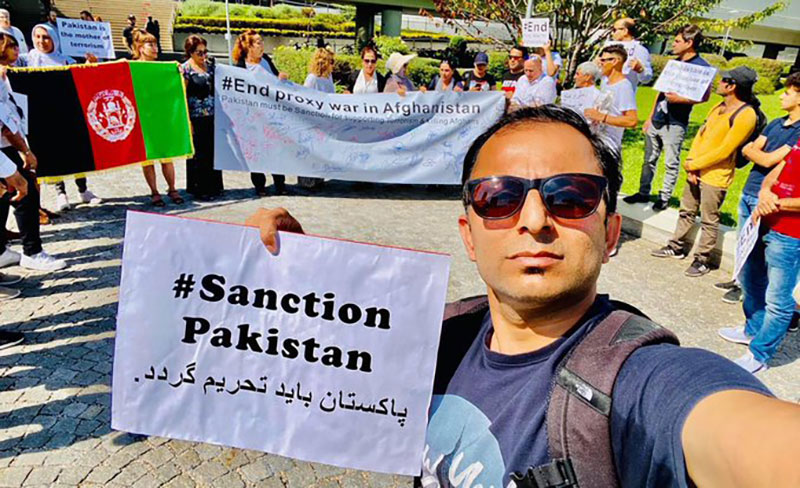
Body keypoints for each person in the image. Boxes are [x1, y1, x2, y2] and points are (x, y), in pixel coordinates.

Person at [246, 105, 800, 487]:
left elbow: (748, 438)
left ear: (611, 234)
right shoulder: (441, 335)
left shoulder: (642, 381)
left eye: (571, 196)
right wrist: (282, 286)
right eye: (498, 197)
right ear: (469, 235)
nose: (534, 220)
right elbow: (318, 376)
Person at [718, 72, 800, 370]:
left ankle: (760, 355)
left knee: (778, 298)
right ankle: (753, 329)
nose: (781, 95)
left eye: (788, 91)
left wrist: (777, 202)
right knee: (751, 276)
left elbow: (767, 159)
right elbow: (774, 168)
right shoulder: (787, 131)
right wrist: (766, 191)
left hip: (790, 233)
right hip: (764, 215)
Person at [652, 66, 759, 278]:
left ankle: (703, 259)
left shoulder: (746, 115)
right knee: (686, 210)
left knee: (709, 218)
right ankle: (676, 246)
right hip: (696, 169)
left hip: (716, 175)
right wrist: (691, 164)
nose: (719, 83)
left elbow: (725, 150)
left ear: (733, 86)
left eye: (724, 80)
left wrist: (696, 165)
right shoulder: (718, 107)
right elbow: (701, 136)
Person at [0, 33, 68, 274]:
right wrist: (25, 151)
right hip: (5, 146)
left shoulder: (5, 74)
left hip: (6, 144)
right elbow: (5, 124)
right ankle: (33, 252)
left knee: (4, 196)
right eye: (10, 46)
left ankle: (1, 251)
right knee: (25, 193)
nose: (16, 50)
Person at [624, 25, 711, 211]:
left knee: (671, 161)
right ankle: (643, 192)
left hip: (676, 122)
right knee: (649, 158)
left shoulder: (702, 68)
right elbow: (660, 91)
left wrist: (681, 99)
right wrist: (650, 117)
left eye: (678, 41)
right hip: (657, 118)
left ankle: (664, 196)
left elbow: (705, 96)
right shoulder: (673, 63)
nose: (674, 44)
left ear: (689, 43)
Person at [22, 24, 102, 212]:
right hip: (42, 116)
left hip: (67, 114)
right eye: (38, 37)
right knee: (53, 154)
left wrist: (89, 64)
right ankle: (61, 193)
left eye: (46, 37)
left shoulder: (66, 60)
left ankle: (83, 190)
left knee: (75, 152)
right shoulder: (26, 60)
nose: (41, 41)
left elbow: (82, 79)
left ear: (54, 39)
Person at [232, 29, 289, 196]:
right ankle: (260, 186)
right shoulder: (240, 67)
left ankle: (280, 184)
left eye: (262, 42)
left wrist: (281, 76)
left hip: (272, 116)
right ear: (248, 47)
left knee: (276, 149)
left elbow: (276, 77)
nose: (262, 45)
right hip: (253, 117)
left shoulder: (266, 60)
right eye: (258, 43)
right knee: (256, 151)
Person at [132, 29, 183, 207]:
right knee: (147, 158)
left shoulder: (163, 67)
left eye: (156, 44)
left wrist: (177, 72)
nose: (155, 48)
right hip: (143, 118)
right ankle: (154, 191)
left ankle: (172, 188)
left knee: (166, 156)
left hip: (161, 117)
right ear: (140, 47)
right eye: (150, 44)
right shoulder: (132, 67)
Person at [182, 35, 222, 201]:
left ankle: (214, 186)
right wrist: (187, 121)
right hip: (196, 117)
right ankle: (199, 188)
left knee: (213, 151)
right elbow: (183, 95)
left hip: (212, 116)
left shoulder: (211, 67)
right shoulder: (185, 69)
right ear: (190, 52)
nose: (203, 55)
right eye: (199, 53)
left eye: (205, 51)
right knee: (199, 154)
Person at [583, 45, 638, 153]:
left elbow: (632, 121)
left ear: (614, 61)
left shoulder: (624, 86)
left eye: (603, 60)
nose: (600, 63)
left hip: (610, 147)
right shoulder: (606, 82)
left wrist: (602, 117)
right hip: (598, 142)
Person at [299, 47, 334, 190]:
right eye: (331, 61)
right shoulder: (312, 79)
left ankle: (319, 178)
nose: (333, 65)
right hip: (313, 121)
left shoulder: (329, 77)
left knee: (321, 150)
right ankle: (307, 180)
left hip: (325, 121)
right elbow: (304, 98)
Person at [603, 17, 652, 91]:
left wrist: (640, 70)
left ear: (625, 31)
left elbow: (647, 78)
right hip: (605, 93)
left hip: (625, 94)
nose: (612, 33)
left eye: (614, 30)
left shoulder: (639, 50)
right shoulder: (608, 47)